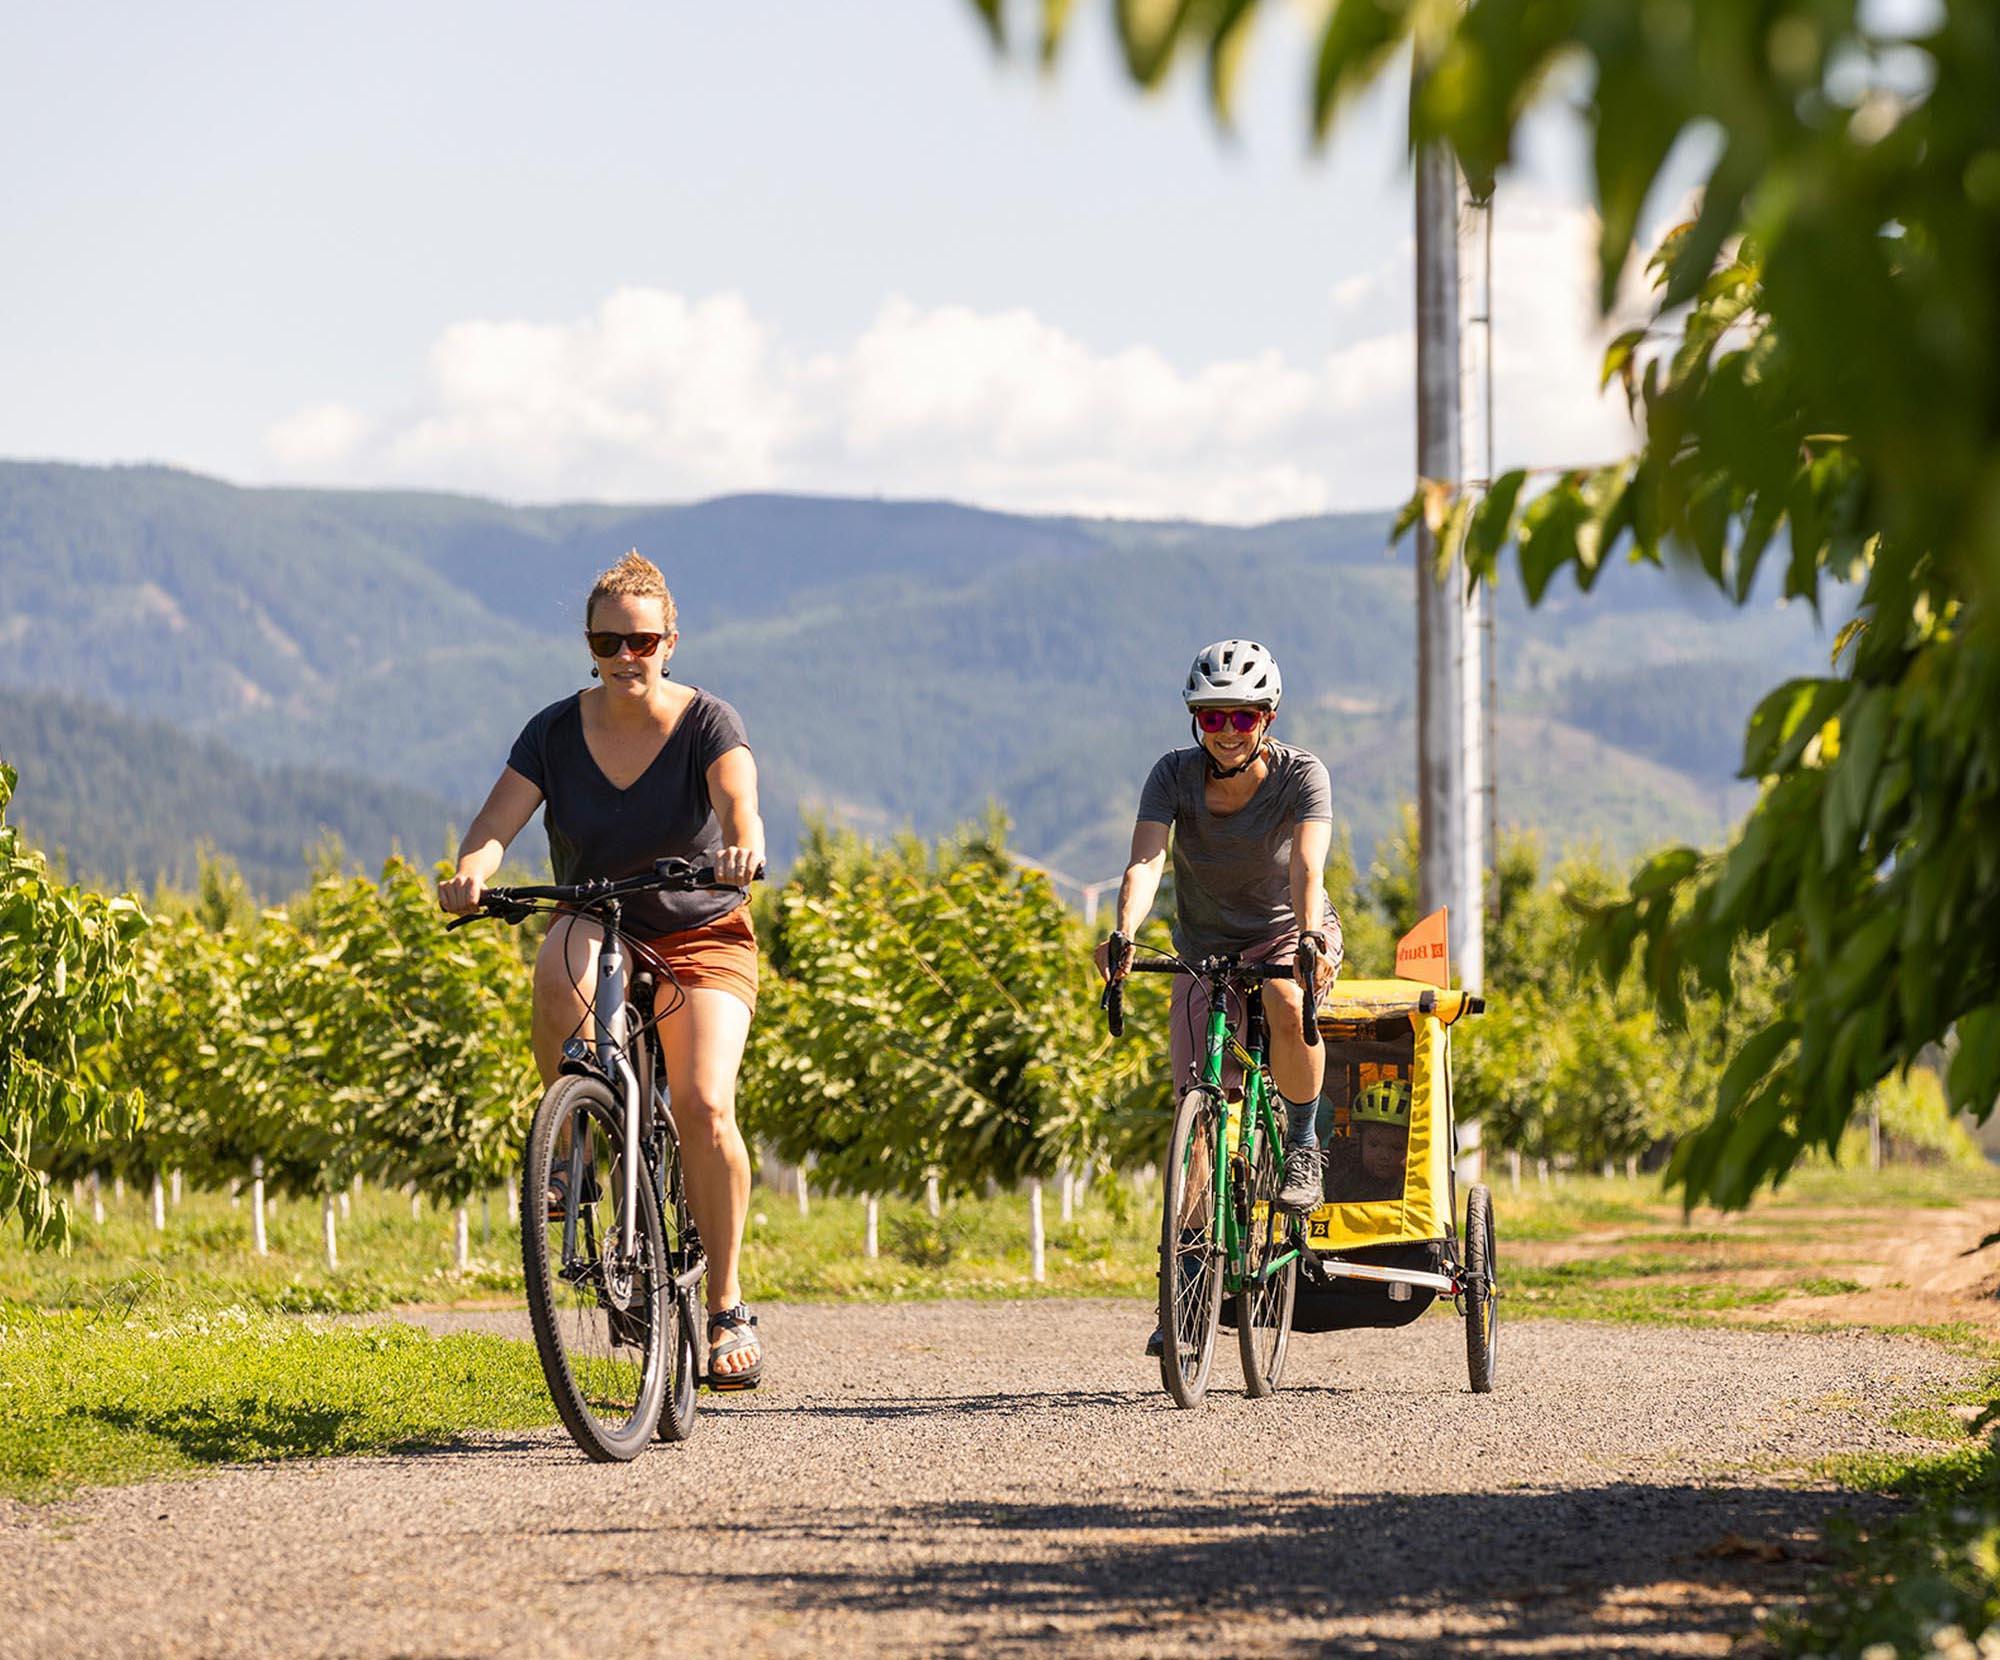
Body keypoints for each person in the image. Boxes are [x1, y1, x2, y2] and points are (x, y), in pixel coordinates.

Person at [438, 550, 767, 1390]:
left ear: (671, 642)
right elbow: (494, 823)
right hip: (600, 910)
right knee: (557, 967)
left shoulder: (707, 723)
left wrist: (743, 848)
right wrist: (472, 870)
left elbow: (740, 803)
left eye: (644, 641)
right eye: (608, 640)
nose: (628, 657)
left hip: (701, 928)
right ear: (588, 644)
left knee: (702, 1103)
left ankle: (726, 1303)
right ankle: (575, 1137)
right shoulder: (553, 731)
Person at [1096, 640, 1342, 1349]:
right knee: (1199, 1115)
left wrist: (1306, 941)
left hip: (1289, 931)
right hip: (1207, 950)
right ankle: (1190, 1295)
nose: (1227, 732)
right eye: (1211, 720)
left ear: (1267, 716)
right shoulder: (1171, 777)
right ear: (1195, 724)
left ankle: (1300, 1147)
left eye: (1240, 716)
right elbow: (1146, 860)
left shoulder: (1302, 774)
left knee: (1289, 1005)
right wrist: (1122, 933)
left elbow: (1307, 863)